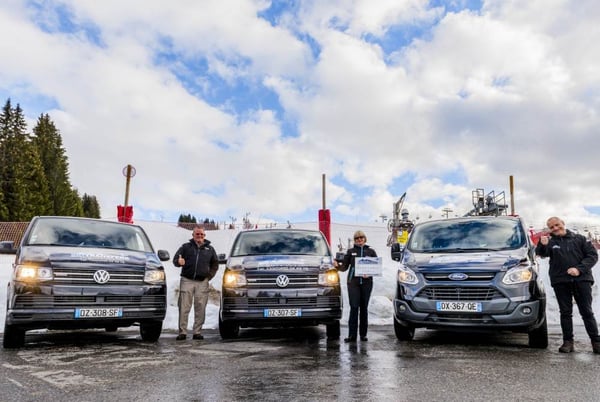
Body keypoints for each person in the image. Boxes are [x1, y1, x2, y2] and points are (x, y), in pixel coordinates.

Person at [536, 216, 600, 353]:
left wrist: (579, 269)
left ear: (563, 223)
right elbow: (541, 254)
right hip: (560, 281)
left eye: (557, 225)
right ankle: (568, 342)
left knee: (586, 311)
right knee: (565, 312)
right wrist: (542, 244)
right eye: (552, 227)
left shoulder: (580, 239)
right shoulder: (551, 242)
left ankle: (596, 342)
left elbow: (593, 256)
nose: (555, 228)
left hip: (582, 280)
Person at [173, 226, 219, 341]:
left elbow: (215, 264)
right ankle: (182, 332)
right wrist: (179, 262)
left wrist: (209, 277)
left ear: (204, 236)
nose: (199, 236)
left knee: (200, 308)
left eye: (201, 234)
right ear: (193, 235)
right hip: (187, 280)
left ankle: (197, 332)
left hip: (202, 282)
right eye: (197, 234)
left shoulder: (210, 249)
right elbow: (175, 260)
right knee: (184, 307)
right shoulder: (185, 247)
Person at [334, 230, 377, 342]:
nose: (359, 239)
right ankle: (352, 335)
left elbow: (376, 267)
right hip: (353, 283)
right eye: (357, 238)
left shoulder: (371, 251)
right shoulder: (351, 251)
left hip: (367, 283)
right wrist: (337, 266)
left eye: (361, 237)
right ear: (355, 240)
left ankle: (363, 334)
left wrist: (370, 273)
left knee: (364, 309)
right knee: (354, 308)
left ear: (365, 238)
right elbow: (344, 267)